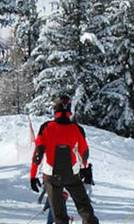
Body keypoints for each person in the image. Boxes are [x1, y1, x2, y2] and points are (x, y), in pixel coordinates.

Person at [30, 95, 100, 224]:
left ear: (55, 109)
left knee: (59, 215)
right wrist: (84, 168)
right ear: (69, 110)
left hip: (51, 175)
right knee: (84, 207)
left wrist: (33, 176)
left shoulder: (46, 127)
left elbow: (38, 154)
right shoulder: (77, 128)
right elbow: (84, 152)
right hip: (71, 174)